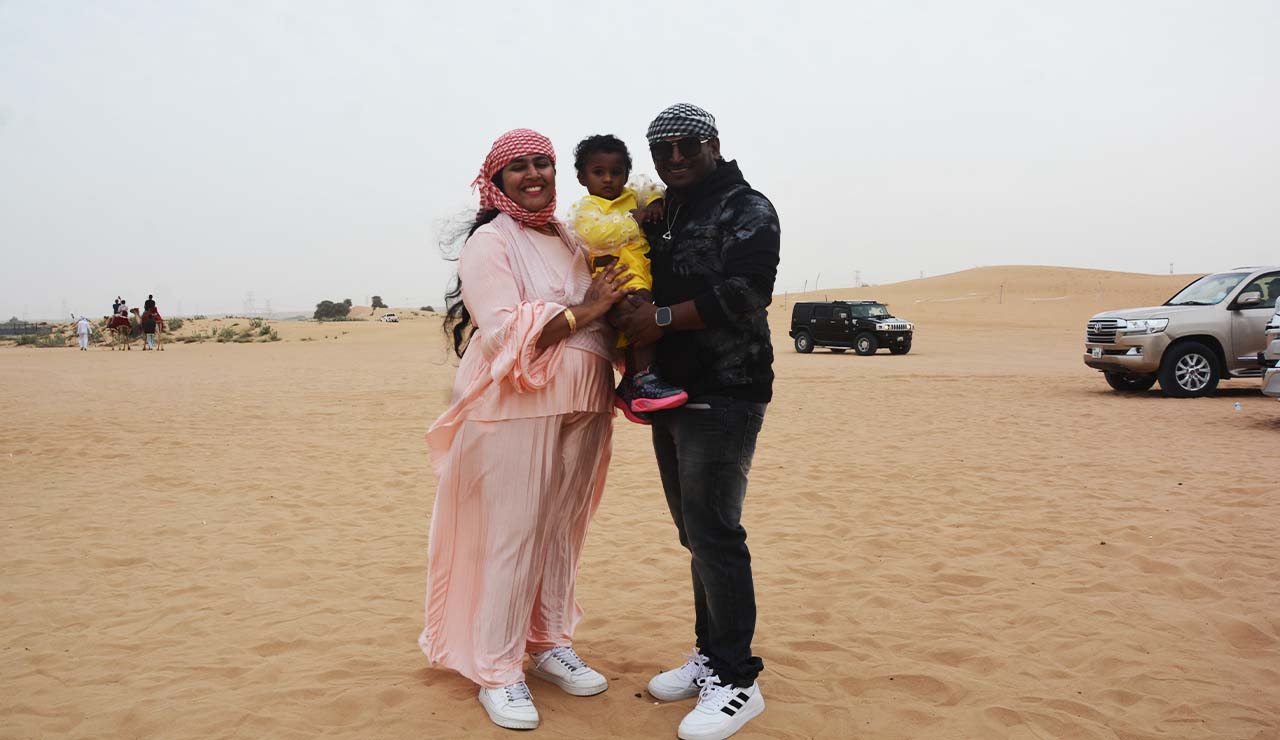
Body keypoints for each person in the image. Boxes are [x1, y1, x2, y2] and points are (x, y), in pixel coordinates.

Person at [420, 128, 634, 732]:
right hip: (516, 405)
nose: (533, 174)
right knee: (512, 535)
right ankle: (496, 668)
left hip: (586, 400)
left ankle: (547, 642)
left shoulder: (570, 236)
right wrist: (588, 309)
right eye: (518, 166)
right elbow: (503, 331)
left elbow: (611, 306)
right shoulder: (490, 242)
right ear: (497, 180)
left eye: (543, 162)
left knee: (563, 531)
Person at [614, 103, 780, 740]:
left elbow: (747, 293)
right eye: (664, 151)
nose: (676, 158)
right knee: (695, 533)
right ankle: (711, 655)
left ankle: (738, 680)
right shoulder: (670, 211)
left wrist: (658, 321)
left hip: (727, 387)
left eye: (687, 146)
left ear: (713, 144)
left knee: (715, 532)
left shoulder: (746, 207)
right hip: (669, 392)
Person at [566, 134, 688, 424]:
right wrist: (635, 219)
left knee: (641, 326)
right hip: (613, 282)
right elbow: (597, 234)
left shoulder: (632, 195)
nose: (608, 179)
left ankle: (633, 385)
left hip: (641, 278)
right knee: (639, 323)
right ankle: (643, 381)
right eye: (598, 172)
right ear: (582, 177)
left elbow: (651, 187)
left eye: (616, 172)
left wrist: (654, 203)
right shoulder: (587, 208)